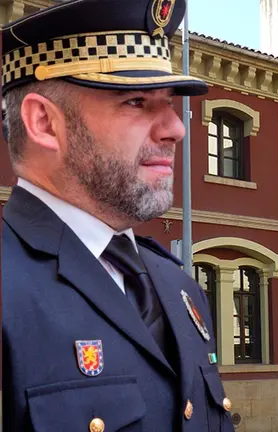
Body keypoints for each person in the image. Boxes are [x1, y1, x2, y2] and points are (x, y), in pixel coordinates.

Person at [1, 0, 235, 430]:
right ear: (44, 123)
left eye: (169, 103)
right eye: (135, 102)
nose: (176, 129)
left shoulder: (179, 286)